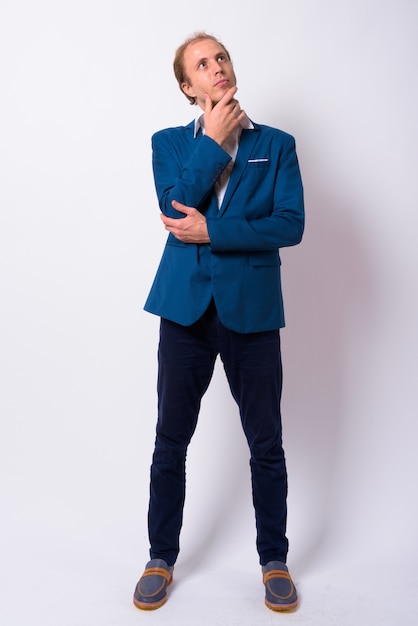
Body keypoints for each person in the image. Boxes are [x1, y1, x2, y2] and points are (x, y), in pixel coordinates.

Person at [133, 31, 304, 612]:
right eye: (202, 65)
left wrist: (215, 232)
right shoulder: (168, 143)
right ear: (188, 86)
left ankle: (274, 561)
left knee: (266, 442)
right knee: (169, 441)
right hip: (185, 310)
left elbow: (289, 225)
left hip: (252, 313)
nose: (217, 68)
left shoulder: (278, 145)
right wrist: (214, 139)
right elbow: (174, 206)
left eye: (222, 57)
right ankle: (160, 556)